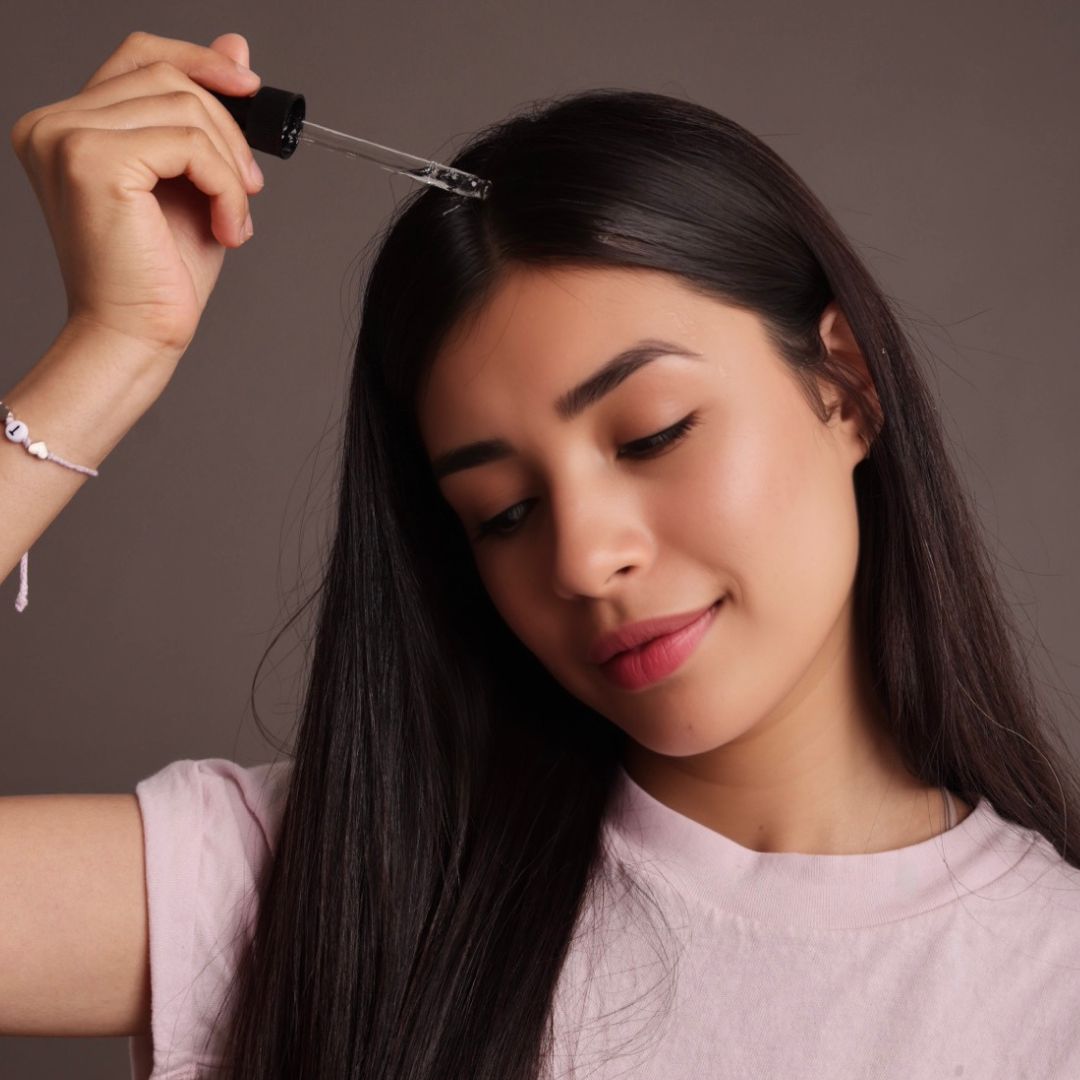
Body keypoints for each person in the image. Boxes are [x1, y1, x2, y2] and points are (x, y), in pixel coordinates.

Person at [2, 27, 1078, 1080]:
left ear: (843, 388)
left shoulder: (1049, 988)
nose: (584, 557)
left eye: (653, 434)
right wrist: (111, 350)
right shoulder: (336, 884)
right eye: (504, 511)